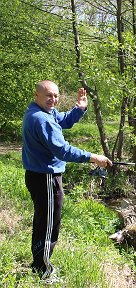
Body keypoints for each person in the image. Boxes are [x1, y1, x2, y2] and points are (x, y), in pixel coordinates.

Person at [22, 80, 112, 283]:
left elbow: (64, 120)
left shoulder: (42, 112)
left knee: (43, 222)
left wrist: (79, 108)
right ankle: (43, 271)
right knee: (48, 225)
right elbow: (62, 150)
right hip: (46, 178)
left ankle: (40, 263)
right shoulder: (41, 119)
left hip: (40, 176)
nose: (53, 99)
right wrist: (92, 157)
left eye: (55, 95)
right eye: (48, 96)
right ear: (37, 96)